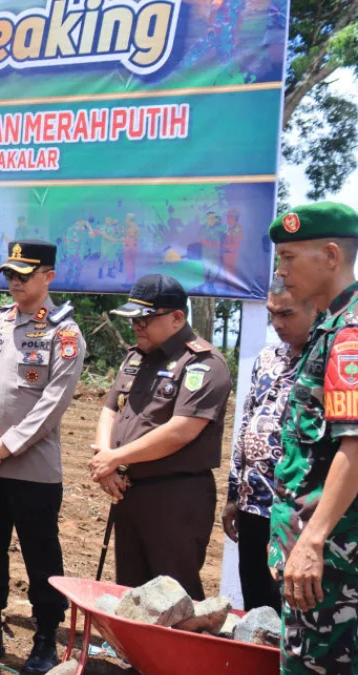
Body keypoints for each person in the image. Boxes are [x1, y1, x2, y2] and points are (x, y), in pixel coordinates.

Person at [0, 240, 86, 673]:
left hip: (31, 471)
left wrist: (5, 446)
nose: (15, 282)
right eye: (10, 274)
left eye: (24, 275)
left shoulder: (65, 334)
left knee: (40, 555)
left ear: (49, 276)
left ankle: (45, 637)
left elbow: (52, 404)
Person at [88, 274, 230, 600]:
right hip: (129, 490)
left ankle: (176, 653)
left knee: (173, 596)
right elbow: (111, 410)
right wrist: (107, 462)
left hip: (175, 497)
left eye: (146, 318)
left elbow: (181, 430)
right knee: (132, 590)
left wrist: (116, 459)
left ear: (177, 318)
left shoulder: (202, 363)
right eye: (133, 319)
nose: (136, 326)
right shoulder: (135, 357)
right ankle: (134, 652)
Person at [266, 202, 358, 674]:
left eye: (289, 258)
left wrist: (311, 541)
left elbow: (355, 449)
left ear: (329, 255)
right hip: (315, 556)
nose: (281, 271)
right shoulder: (327, 327)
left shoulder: (350, 334)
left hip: (333, 561)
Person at [222, 277, 311, 611]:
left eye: (286, 314)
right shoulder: (268, 357)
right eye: (272, 314)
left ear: (313, 306)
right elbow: (246, 424)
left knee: (291, 608)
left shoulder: (327, 361)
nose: (277, 324)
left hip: (296, 514)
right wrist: (234, 496)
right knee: (256, 606)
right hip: (253, 508)